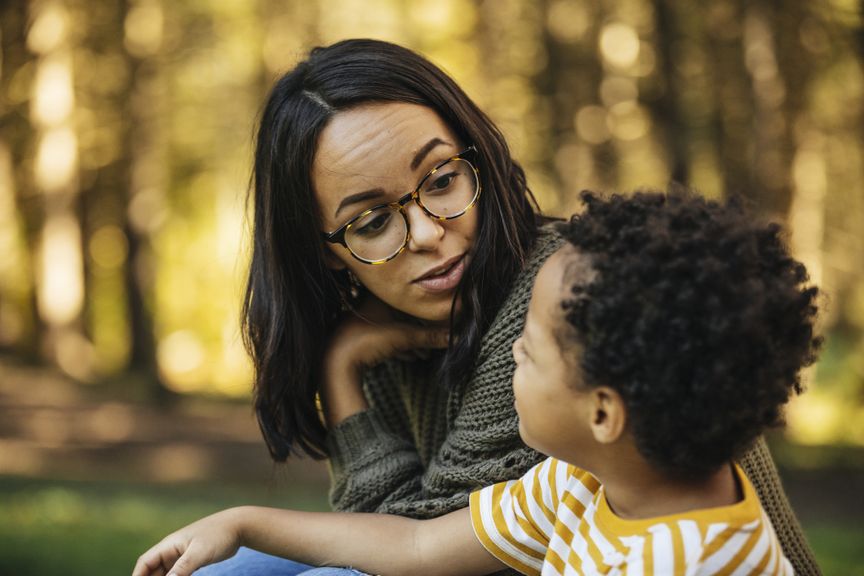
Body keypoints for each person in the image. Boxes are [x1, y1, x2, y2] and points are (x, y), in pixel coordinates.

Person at [193, 39, 820, 575]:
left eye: (441, 180)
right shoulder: (567, 484)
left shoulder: (562, 300)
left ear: (478, 160)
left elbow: (411, 555)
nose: (430, 234)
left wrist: (341, 369)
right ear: (326, 251)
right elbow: (411, 545)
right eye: (375, 220)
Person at [134, 190, 821, 576]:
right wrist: (243, 522)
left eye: (531, 348)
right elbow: (419, 545)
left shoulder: (685, 563)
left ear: (604, 413)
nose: (510, 348)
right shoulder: (583, 479)